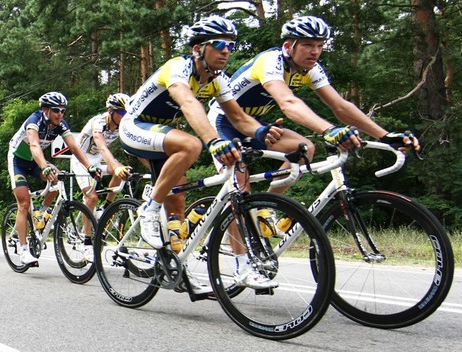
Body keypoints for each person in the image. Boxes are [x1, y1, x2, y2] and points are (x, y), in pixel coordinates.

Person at [119, 15, 283, 291]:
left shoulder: (218, 81)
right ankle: (148, 209)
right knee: (192, 145)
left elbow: (239, 117)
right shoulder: (178, 67)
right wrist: (212, 141)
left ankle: (173, 264)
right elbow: (187, 102)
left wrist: (259, 132)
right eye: (219, 44)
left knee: (178, 199)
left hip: (163, 136)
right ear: (198, 49)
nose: (226, 50)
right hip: (135, 127)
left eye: (230, 45)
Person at [210, 15, 420, 196]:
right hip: (223, 119)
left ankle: (270, 206)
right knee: (240, 189)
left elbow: (340, 106)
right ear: (288, 46)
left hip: (253, 122)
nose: (315, 52)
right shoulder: (270, 61)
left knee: (304, 149)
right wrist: (328, 130)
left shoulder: (311, 69)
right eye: (308, 45)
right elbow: (288, 103)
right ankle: (237, 229)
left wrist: (385, 135)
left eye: (320, 46)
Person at [7, 92, 102, 265]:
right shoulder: (34, 121)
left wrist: (89, 167)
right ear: (45, 110)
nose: (60, 114)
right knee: (24, 203)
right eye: (56, 110)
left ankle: (41, 213)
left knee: (57, 178)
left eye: (63, 111)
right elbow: (35, 146)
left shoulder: (60, 124)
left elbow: (73, 146)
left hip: (35, 161)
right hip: (18, 161)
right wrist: (44, 167)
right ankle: (23, 250)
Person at [70, 93, 133, 261]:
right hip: (81, 160)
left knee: (121, 171)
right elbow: (102, 146)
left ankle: (106, 208)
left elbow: (132, 145)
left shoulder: (122, 125)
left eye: (127, 113)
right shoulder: (98, 122)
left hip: (97, 160)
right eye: (122, 113)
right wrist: (115, 164)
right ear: (111, 111)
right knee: (91, 197)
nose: (125, 116)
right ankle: (86, 242)